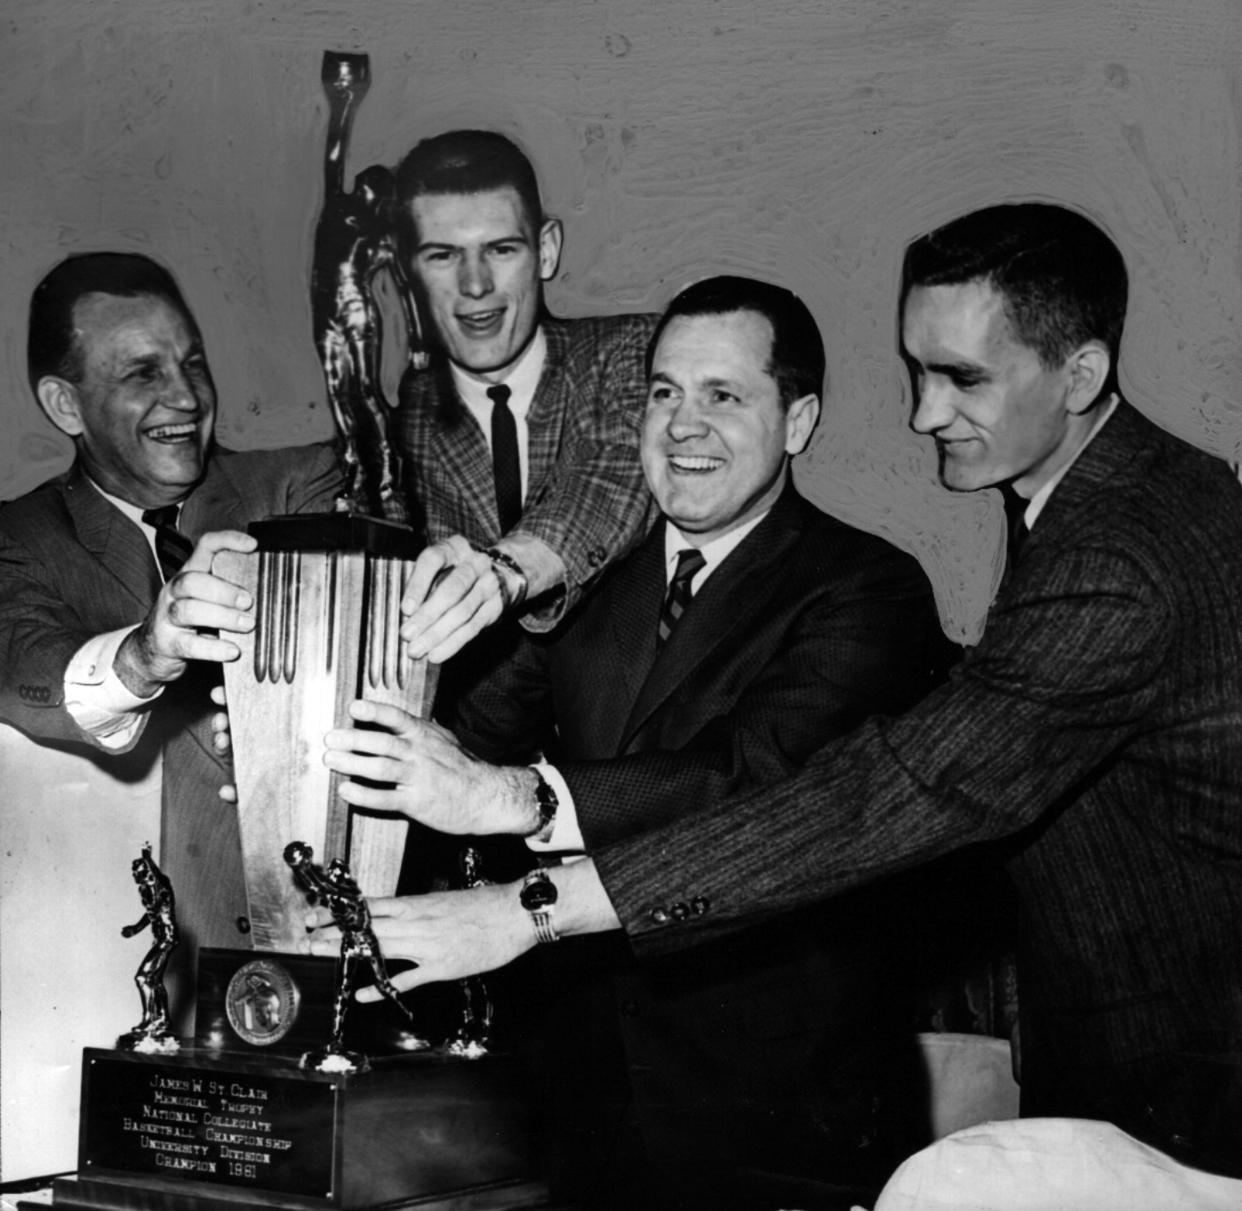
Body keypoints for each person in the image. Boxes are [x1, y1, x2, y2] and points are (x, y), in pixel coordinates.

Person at [317, 204, 1242, 1180]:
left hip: (1184, 1096)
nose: (925, 413)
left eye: (963, 377)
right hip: (615, 1110)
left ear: (1082, 374)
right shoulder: (1098, 498)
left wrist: (526, 895)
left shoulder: (1112, 554)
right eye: (916, 371)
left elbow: (875, 792)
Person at [314, 276, 955, 1208]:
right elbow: (459, 741)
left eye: (723, 396)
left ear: (800, 419)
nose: (683, 426)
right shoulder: (588, 587)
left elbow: (751, 782)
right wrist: (298, 720)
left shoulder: (869, 589)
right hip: (582, 1119)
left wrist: (508, 796)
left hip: (780, 1118)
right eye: (663, 392)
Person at [0, 252, 342, 1022]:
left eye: (191, 362)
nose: (185, 396)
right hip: (120, 979)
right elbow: (29, 667)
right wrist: (146, 652)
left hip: (320, 945)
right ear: (65, 404)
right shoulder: (19, 539)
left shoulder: (300, 482)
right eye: (142, 374)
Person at [391, 129, 658, 672]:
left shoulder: (627, 355)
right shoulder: (401, 423)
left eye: (501, 249)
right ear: (408, 273)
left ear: (547, 250)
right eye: (444, 256)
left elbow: (606, 485)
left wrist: (502, 572)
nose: (475, 285)